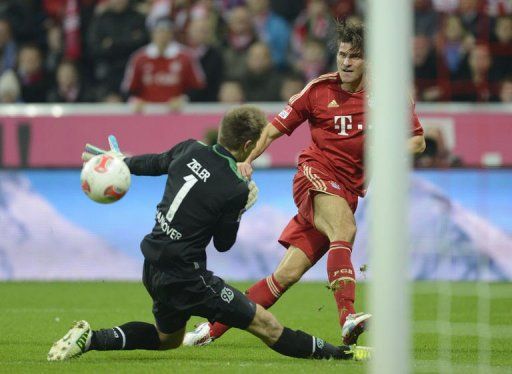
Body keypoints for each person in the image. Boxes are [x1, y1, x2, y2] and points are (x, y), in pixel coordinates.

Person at [47, 106, 371, 362]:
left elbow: (156, 162)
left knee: (167, 340)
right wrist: (241, 209)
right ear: (247, 145)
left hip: (154, 266)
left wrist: (123, 163)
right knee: (268, 327)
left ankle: (91, 339)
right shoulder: (233, 188)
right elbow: (224, 244)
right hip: (187, 277)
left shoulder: (188, 149)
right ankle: (340, 354)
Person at [184, 20, 425, 347]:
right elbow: (271, 130)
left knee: (285, 276)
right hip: (315, 174)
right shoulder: (318, 90)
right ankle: (347, 318)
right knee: (345, 229)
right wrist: (245, 160)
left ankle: (209, 330)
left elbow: (418, 142)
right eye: (342, 55)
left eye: (354, 57)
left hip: (347, 190)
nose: (345, 62)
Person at [121, 18, 205, 112]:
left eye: (166, 31)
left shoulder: (186, 57)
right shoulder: (139, 58)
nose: (162, 35)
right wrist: (135, 101)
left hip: (177, 112)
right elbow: (128, 88)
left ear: (172, 34)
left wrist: (183, 100)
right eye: (159, 31)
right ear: (153, 33)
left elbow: (198, 86)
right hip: (147, 112)